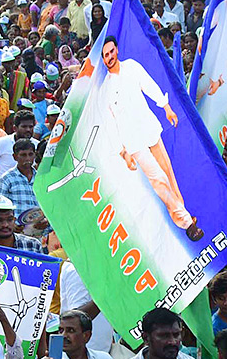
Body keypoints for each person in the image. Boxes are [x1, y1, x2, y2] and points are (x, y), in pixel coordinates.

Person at [76, 36, 204, 241]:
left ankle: (182, 211)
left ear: (116, 50)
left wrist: (166, 107)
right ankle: (187, 223)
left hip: (149, 129)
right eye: (105, 55)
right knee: (158, 179)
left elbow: (149, 85)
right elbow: (110, 124)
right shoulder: (104, 90)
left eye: (111, 52)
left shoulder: (131, 67)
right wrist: (123, 152)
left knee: (168, 173)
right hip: (132, 143)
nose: (109, 57)